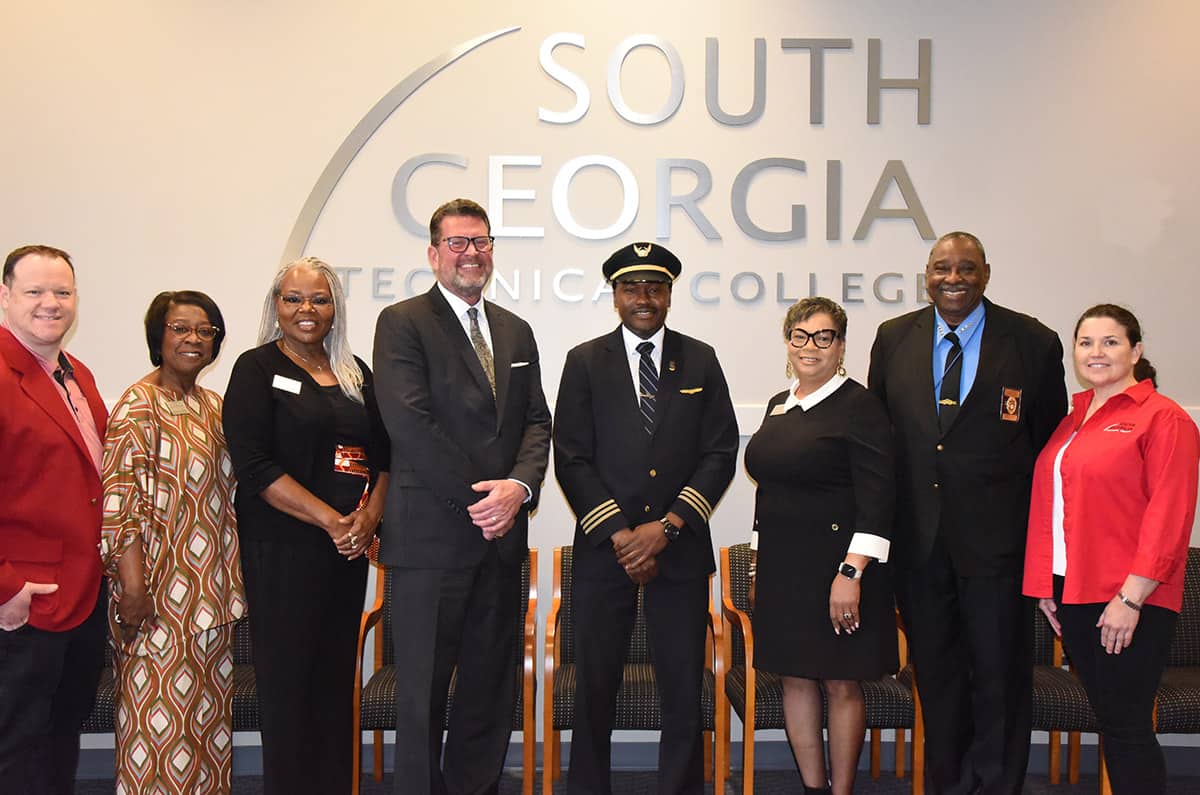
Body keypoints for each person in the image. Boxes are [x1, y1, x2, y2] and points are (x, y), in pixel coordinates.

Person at [867, 231, 1068, 794]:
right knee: (937, 677)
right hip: (919, 546)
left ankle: (998, 786)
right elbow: (881, 440)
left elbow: (1048, 448)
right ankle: (949, 785)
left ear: (985, 273)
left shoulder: (1031, 341)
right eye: (941, 268)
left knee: (1000, 678)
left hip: (998, 548)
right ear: (926, 275)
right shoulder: (893, 338)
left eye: (965, 268)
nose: (952, 279)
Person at [372, 198, 551, 794]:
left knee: (489, 689)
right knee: (421, 694)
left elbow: (536, 422)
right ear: (433, 253)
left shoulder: (515, 330)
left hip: (500, 542)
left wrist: (518, 488)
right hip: (432, 540)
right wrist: (484, 502)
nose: (471, 253)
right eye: (458, 243)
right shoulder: (402, 323)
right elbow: (411, 424)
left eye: (481, 242)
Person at [554, 241, 738, 795]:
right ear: (615, 296)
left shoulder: (701, 358)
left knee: (683, 689)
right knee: (594, 689)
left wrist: (670, 525)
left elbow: (720, 452)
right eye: (631, 288)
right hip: (604, 552)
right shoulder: (585, 361)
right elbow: (571, 457)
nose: (643, 298)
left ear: (669, 296)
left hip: (679, 551)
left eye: (655, 288)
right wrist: (621, 535)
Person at [224, 257, 390, 794]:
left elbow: (386, 457)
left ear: (335, 307)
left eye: (319, 299)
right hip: (283, 551)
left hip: (346, 553)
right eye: (293, 298)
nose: (307, 309)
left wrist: (368, 518)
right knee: (289, 686)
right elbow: (255, 467)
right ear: (275, 305)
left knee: (334, 682)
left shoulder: (354, 372)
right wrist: (331, 520)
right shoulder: (256, 369)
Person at [1023, 304, 1198, 793]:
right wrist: (1046, 585)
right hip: (1074, 591)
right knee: (1112, 719)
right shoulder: (1073, 420)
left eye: (1111, 342)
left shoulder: (1164, 418)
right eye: (1086, 343)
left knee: (1126, 723)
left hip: (1129, 598)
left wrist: (1131, 598)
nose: (1096, 352)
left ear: (1136, 351)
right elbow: (1053, 507)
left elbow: (1170, 515)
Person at [745, 297, 896, 795]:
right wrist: (757, 563)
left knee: (840, 680)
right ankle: (813, 787)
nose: (810, 346)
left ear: (841, 345)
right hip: (784, 568)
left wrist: (851, 573)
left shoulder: (860, 405)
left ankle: (841, 790)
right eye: (800, 335)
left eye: (823, 336)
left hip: (840, 570)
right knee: (794, 676)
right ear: (788, 342)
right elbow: (768, 491)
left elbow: (879, 498)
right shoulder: (779, 403)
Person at [99, 290, 245, 794]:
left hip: (212, 599)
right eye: (180, 328)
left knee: (206, 733)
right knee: (159, 734)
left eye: (205, 331)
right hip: (158, 600)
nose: (193, 339)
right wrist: (134, 591)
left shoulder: (212, 405)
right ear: (157, 337)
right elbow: (120, 508)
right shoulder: (137, 406)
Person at [0, 245, 108, 795]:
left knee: (61, 735)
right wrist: (6, 588)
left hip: (81, 594)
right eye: (35, 291)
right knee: (16, 746)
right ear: (5, 296)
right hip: (23, 600)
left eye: (62, 292)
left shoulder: (75, 372)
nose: (51, 303)